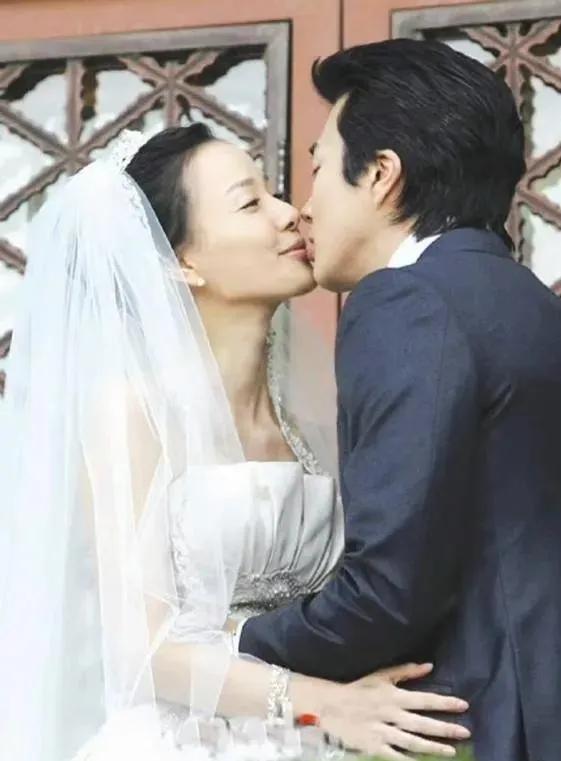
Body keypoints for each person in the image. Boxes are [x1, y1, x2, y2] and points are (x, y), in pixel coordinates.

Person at [0, 124, 469, 761]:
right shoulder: (132, 411)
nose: (288, 213)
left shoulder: (316, 409)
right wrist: (321, 703)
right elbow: (140, 648)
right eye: (250, 203)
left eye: (274, 192)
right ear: (181, 262)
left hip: (322, 734)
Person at [238, 39, 561, 761]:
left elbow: (387, 591)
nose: (304, 206)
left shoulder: (407, 301)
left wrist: (229, 649)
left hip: (484, 721)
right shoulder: (528, 302)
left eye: (318, 169)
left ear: (382, 175)